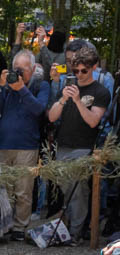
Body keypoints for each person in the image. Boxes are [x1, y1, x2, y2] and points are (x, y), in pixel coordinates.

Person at [47, 44, 111, 242]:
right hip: (63, 144)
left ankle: (75, 232)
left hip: (84, 146)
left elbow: (93, 121)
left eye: (84, 70)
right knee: (67, 190)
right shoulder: (67, 87)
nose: (79, 74)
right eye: (75, 71)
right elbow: (51, 117)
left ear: (93, 68)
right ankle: (72, 229)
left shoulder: (100, 91)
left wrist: (77, 101)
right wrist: (64, 99)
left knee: (79, 191)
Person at [0, 48, 48, 240]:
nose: (19, 72)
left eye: (23, 68)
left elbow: (39, 110)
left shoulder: (41, 86)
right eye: (16, 68)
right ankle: (5, 224)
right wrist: (0, 86)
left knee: (24, 189)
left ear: (32, 70)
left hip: (27, 145)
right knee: (5, 188)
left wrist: (21, 89)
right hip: (5, 144)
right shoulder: (6, 87)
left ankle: (20, 227)